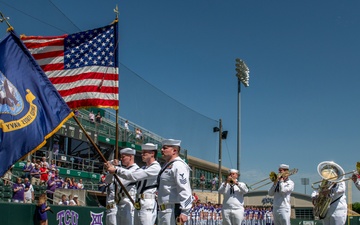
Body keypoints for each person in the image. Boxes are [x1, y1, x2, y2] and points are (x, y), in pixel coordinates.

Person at [106, 143, 161, 225]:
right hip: (139, 203)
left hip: (147, 203)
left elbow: (133, 175)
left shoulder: (155, 167)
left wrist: (116, 169)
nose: (142, 154)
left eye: (144, 153)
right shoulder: (144, 168)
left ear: (152, 153)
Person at [157, 139, 192, 225]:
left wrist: (185, 212)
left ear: (174, 151)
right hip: (164, 210)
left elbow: (184, 189)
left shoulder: (178, 165)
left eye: (165, 148)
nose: (162, 150)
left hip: (172, 210)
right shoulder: (166, 165)